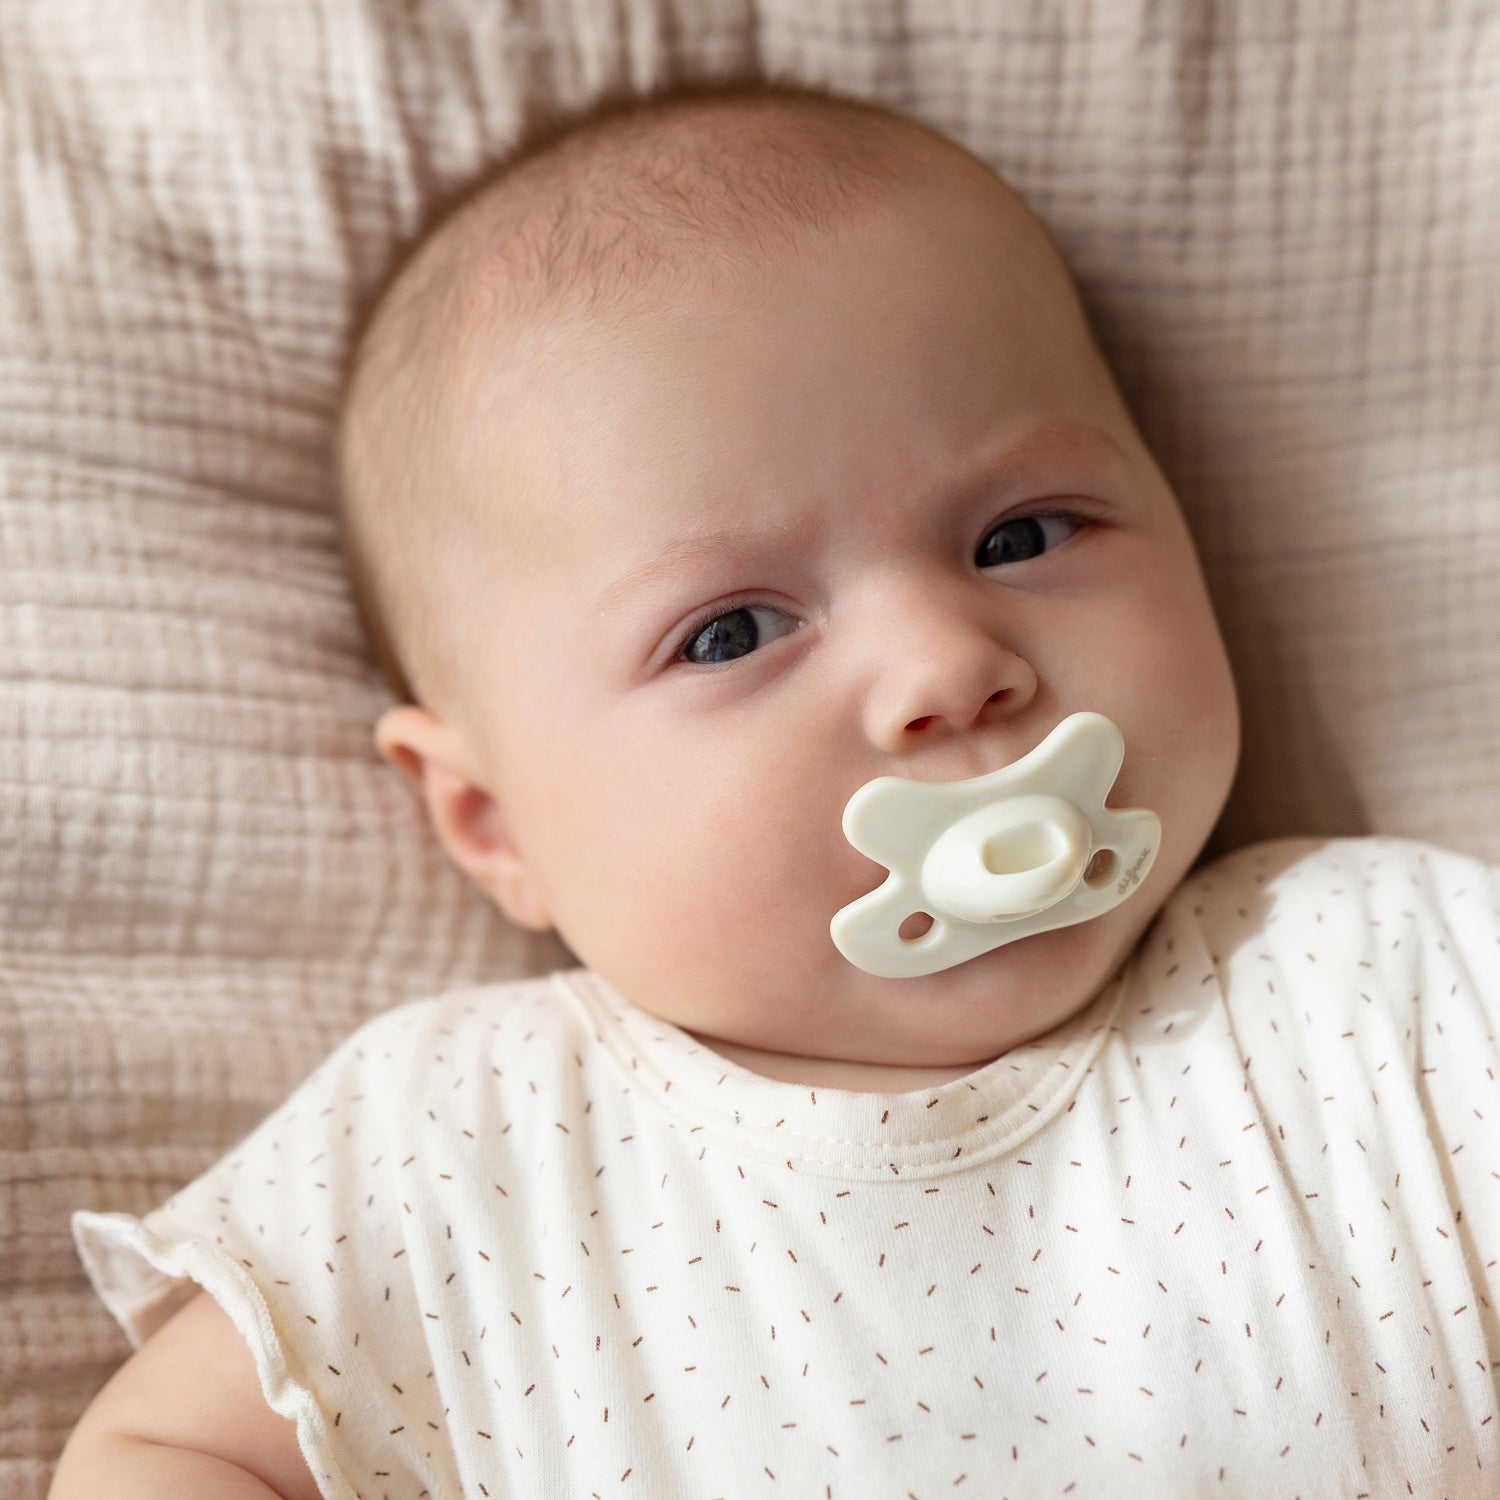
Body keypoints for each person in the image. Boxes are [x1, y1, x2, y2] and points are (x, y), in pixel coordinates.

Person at [50, 76, 1499, 1499]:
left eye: (1022, 533)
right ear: (492, 823)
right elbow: (164, 1455)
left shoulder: (1382, 976)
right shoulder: (460, 1143)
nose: (944, 661)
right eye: (733, 631)